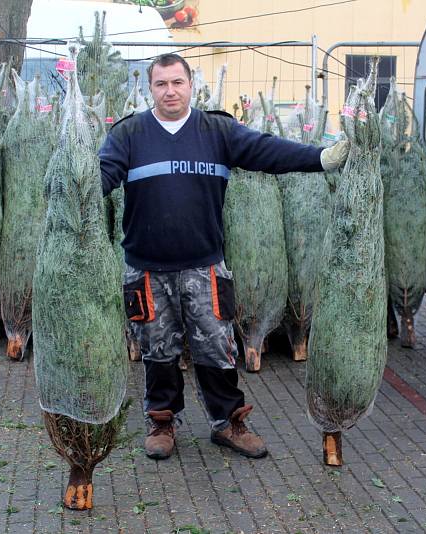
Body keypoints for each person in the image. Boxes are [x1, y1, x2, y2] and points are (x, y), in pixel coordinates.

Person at [98, 53, 348, 461]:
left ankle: (229, 422)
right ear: (150, 89)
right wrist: (76, 183)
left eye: (177, 82)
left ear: (190, 84)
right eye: (161, 84)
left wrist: (320, 158)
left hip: (204, 266)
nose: (170, 91)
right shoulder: (128, 135)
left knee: (217, 347)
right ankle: (162, 422)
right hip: (146, 269)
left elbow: (269, 151)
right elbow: (102, 177)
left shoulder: (216, 130)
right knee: (157, 349)